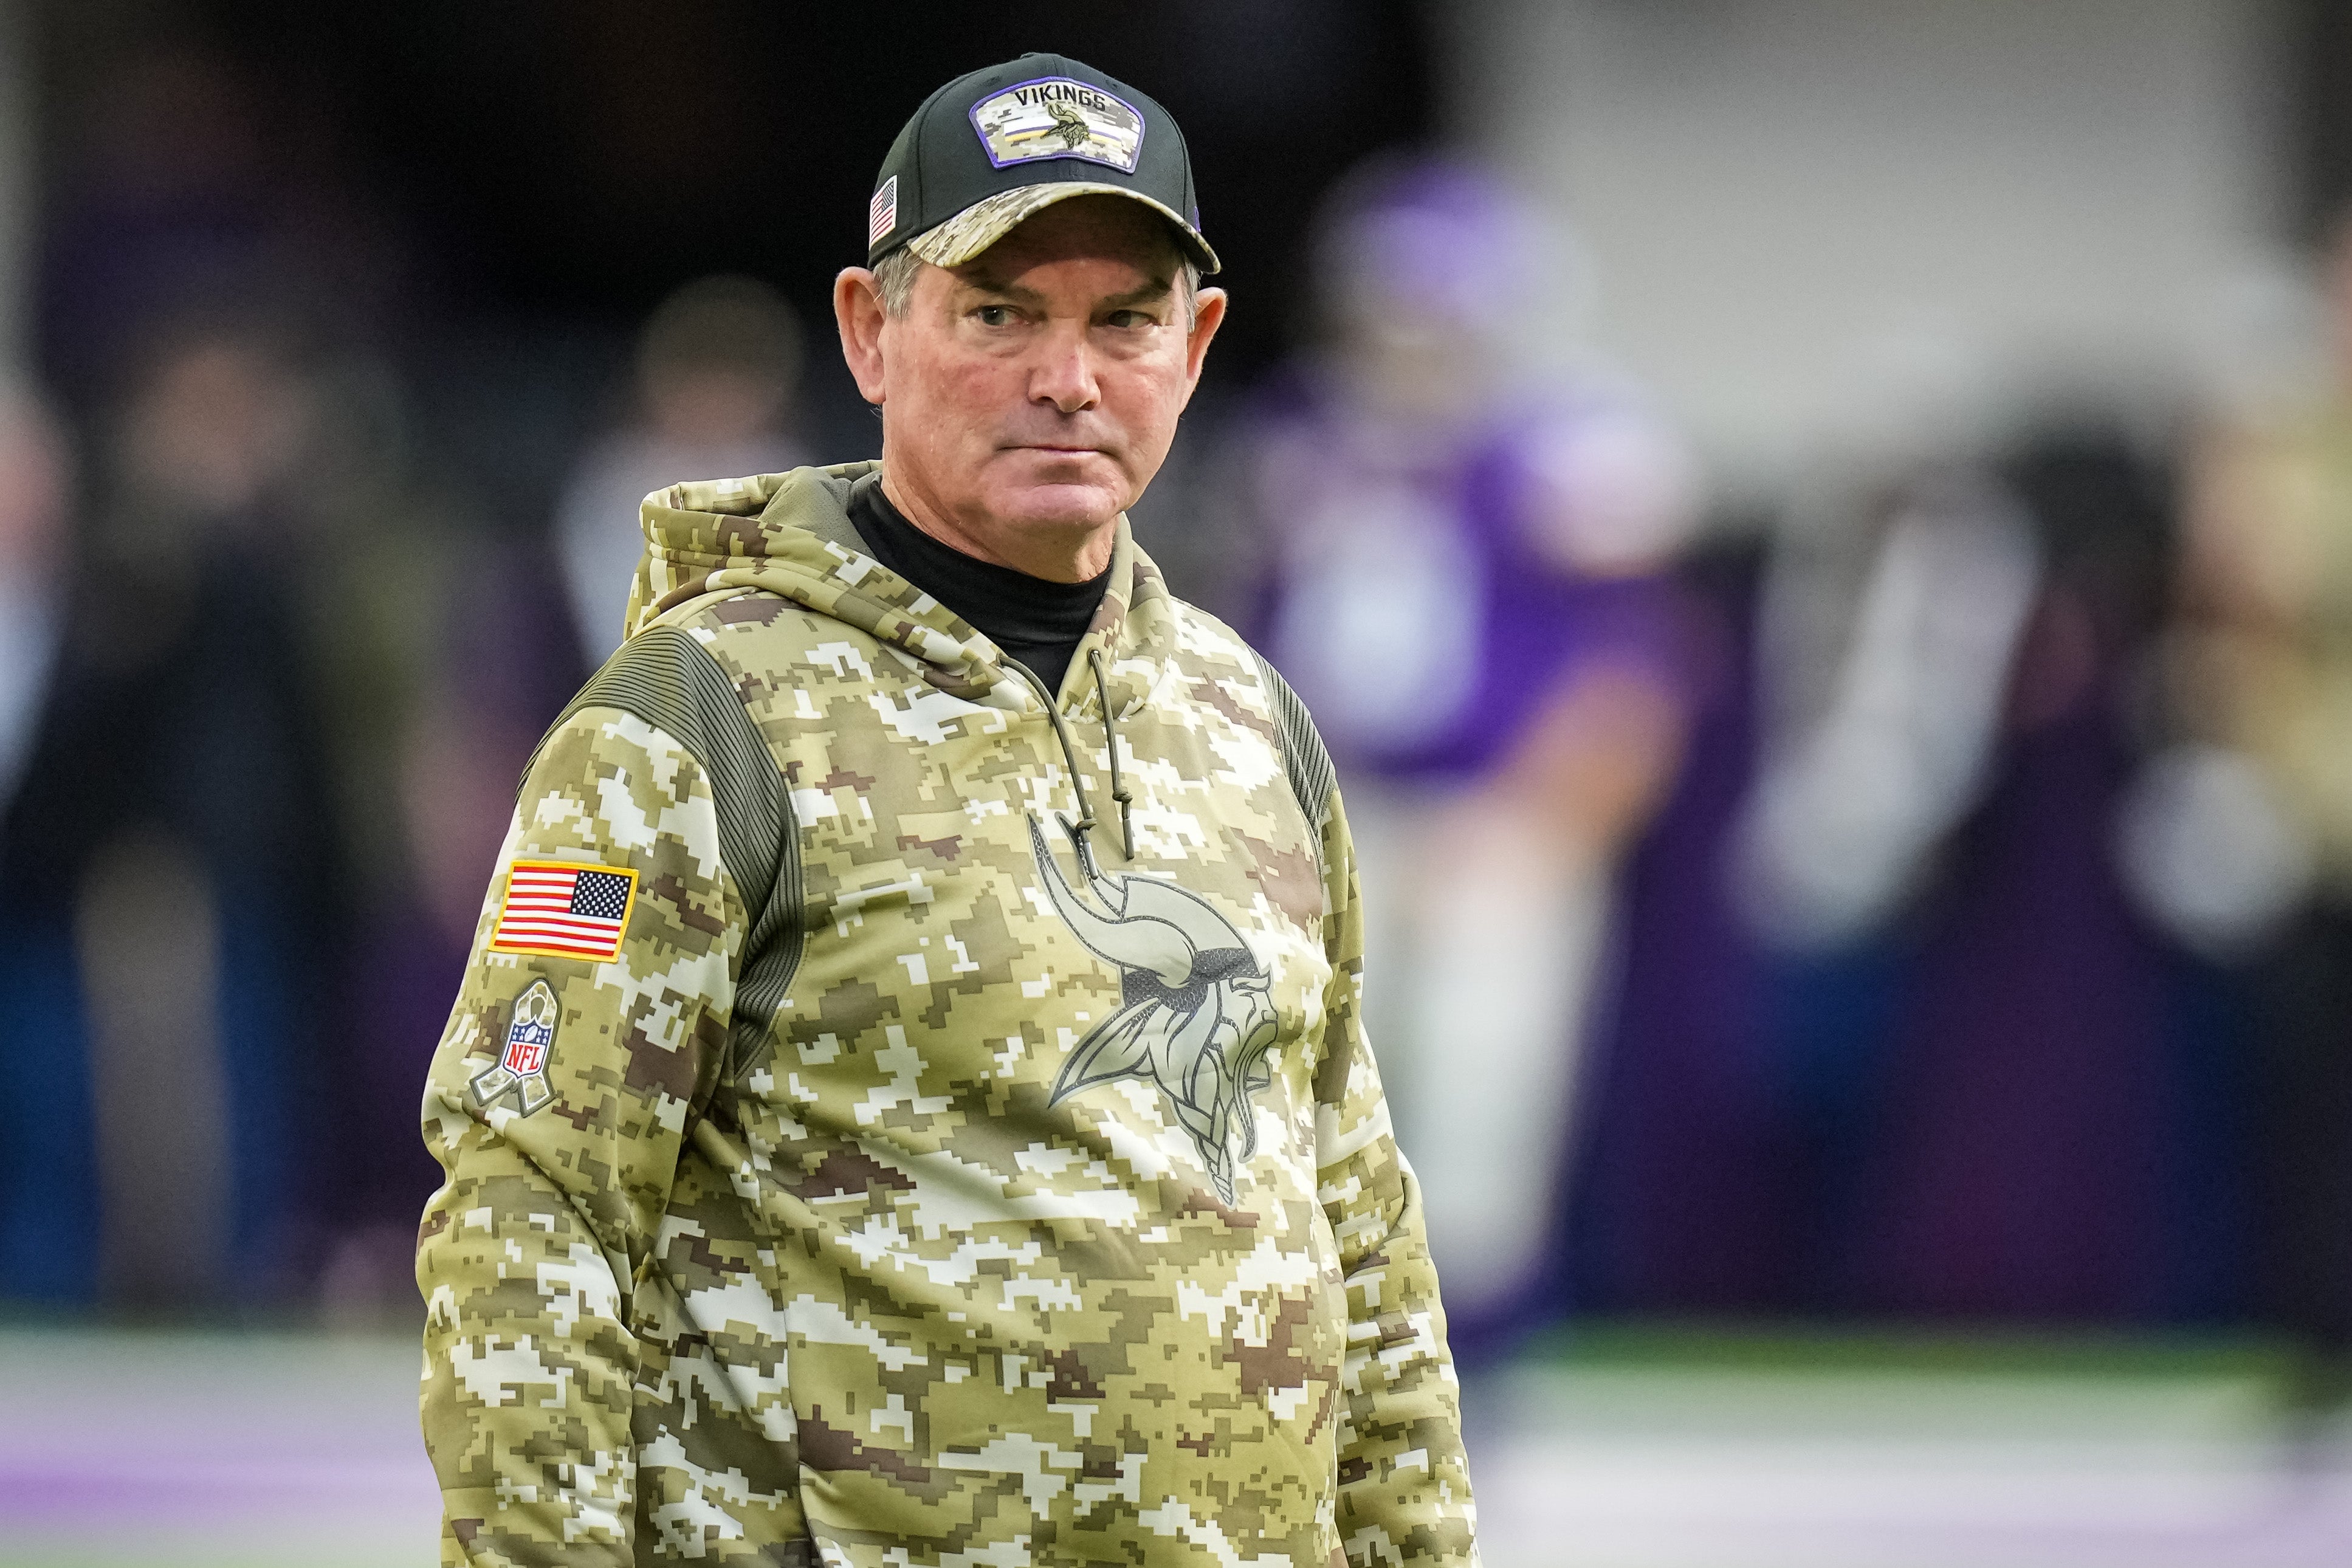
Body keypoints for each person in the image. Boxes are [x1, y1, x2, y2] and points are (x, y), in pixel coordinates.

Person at [416, 53, 1477, 1566]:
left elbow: (1357, 1219)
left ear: (1196, 347)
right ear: (871, 330)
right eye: (999, 315)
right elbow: (531, 1211)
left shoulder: (1249, 720)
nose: (1070, 379)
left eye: (1126, 320)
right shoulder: (693, 723)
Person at [1229, 160, 1694, 1343]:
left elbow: (1635, 673)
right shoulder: (1302, 435)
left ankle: (1472, 1358)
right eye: (1389, 311)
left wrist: (1544, 819)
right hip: (1328, 809)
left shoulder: (1565, 447)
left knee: (1480, 1092)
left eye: (1434, 313)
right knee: (1306, 1096)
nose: (1408, 340)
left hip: (1496, 813)